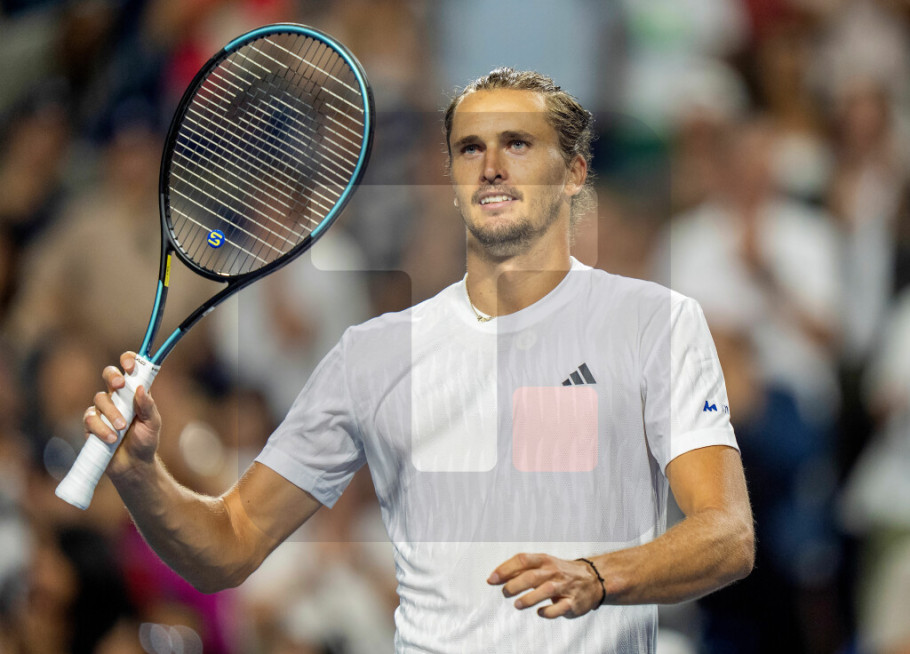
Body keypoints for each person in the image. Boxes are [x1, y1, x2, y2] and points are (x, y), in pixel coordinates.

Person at [82, 68, 754, 652]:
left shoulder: (656, 323)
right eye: (470, 148)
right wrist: (141, 476)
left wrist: (600, 576)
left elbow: (726, 534)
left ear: (574, 172)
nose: (491, 165)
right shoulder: (372, 355)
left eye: (518, 143)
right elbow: (228, 545)